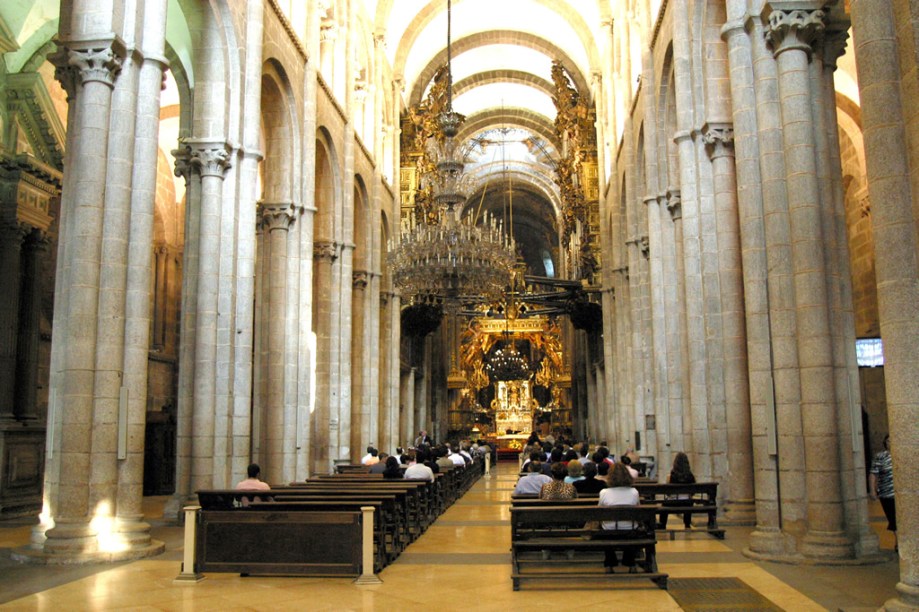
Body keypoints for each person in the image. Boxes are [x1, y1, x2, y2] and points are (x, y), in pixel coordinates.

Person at [598, 462, 641, 572]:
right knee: (631, 527)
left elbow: (599, 511)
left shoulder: (604, 492)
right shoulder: (634, 492)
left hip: (609, 530)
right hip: (629, 529)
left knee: (603, 527)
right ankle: (630, 562)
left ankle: (609, 563)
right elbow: (638, 509)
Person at [869, 435, 896, 551]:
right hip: (887, 493)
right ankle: (899, 542)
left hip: (902, 494)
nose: (891, 443)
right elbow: (873, 474)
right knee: (893, 518)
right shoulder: (881, 457)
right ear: (885, 443)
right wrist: (872, 490)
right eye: (889, 441)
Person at [659, 451, 695, 530]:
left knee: (663, 505)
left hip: (673, 502)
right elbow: (693, 492)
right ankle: (687, 524)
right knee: (689, 501)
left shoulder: (670, 476)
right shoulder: (691, 476)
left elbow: (667, 492)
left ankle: (662, 525)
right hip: (687, 503)